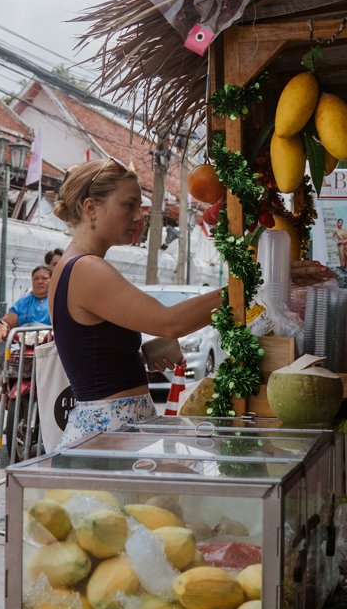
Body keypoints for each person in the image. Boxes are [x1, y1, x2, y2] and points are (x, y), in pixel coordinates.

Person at [48, 158, 224, 447]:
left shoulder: (74, 265)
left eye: (139, 207)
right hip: (109, 432)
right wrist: (243, 291)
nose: (139, 217)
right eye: (128, 205)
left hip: (112, 430)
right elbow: (170, 322)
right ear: (90, 207)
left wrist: (139, 355)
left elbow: (91, 352)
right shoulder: (86, 269)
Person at [0, 265, 51, 341]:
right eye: (36, 278)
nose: (40, 281)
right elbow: (7, 322)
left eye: (44, 278)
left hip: (52, 347)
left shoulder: (58, 301)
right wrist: (2, 327)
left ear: (52, 280)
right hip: (24, 348)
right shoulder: (23, 302)